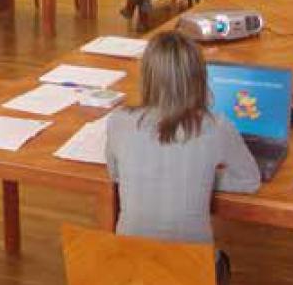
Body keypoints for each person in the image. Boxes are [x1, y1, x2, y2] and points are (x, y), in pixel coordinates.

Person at [105, 31, 260, 285]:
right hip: (191, 272)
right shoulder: (217, 126)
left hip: (132, 268)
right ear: (200, 78)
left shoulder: (118, 121)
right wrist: (204, 177)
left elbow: (115, 174)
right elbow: (250, 180)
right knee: (222, 260)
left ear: (147, 77)